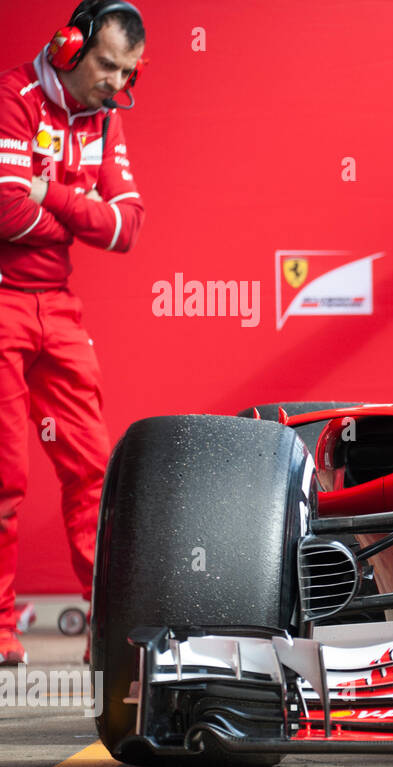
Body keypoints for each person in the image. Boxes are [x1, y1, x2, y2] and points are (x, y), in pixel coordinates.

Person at [0, 1, 146, 665]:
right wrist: (79, 209)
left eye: (128, 72)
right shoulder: (13, 98)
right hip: (2, 304)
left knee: (93, 469)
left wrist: (50, 194)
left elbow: (126, 229)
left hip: (56, 306)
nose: (116, 83)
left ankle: (107, 630)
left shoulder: (106, 119)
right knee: (4, 477)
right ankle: (0, 630)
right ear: (69, 46)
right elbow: (4, 212)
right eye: (107, 65)